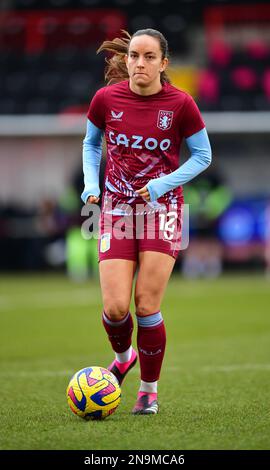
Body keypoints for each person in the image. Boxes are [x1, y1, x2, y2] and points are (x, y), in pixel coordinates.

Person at [81, 29, 212, 415]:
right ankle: (123, 358)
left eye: (149, 56)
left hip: (163, 211)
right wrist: (92, 185)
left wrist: (160, 187)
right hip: (117, 210)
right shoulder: (106, 99)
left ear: (163, 63)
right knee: (116, 308)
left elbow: (203, 156)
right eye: (135, 56)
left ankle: (148, 391)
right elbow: (91, 143)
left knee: (145, 303)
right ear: (127, 60)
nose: (140, 63)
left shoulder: (181, 104)